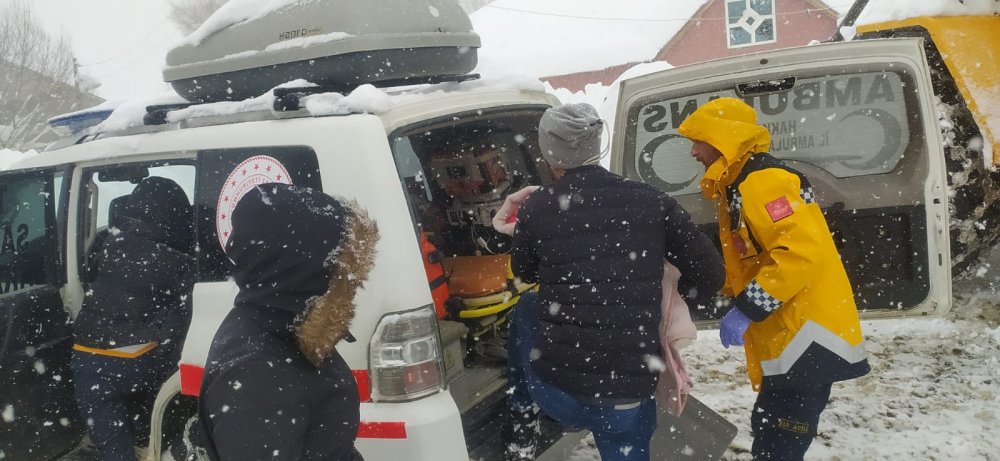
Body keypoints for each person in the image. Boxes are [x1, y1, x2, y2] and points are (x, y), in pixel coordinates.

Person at [505, 103, 725, 461]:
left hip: (559, 394)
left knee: (526, 308)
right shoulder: (653, 202)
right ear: (597, 145)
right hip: (626, 393)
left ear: (549, 152)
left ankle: (521, 420)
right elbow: (711, 273)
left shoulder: (537, 206)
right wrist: (664, 301)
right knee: (626, 435)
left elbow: (525, 273)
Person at [678, 97, 871, 460]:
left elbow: (799, 254)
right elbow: (755, 256)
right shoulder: (740, 184)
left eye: (697, 140)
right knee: (769, 426)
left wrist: (748, 309)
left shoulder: (762, 182)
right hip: (791, 333)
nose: (692, 151)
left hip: (808, 338)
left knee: (780, 438)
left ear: (722, 139)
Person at [198, 183, 378, 461]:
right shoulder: (255, 373)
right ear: (303, 268)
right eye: (343, 270)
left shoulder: (292, 331)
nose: (353, 283)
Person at [71, 177, 195, 461]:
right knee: (156, 384)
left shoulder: (109, 245)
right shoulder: (181, 261)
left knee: (109, 431)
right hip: (141, 360)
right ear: (176, 214)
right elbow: (183, 313)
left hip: (88, 359)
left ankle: (125, 448)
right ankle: (153, 437)